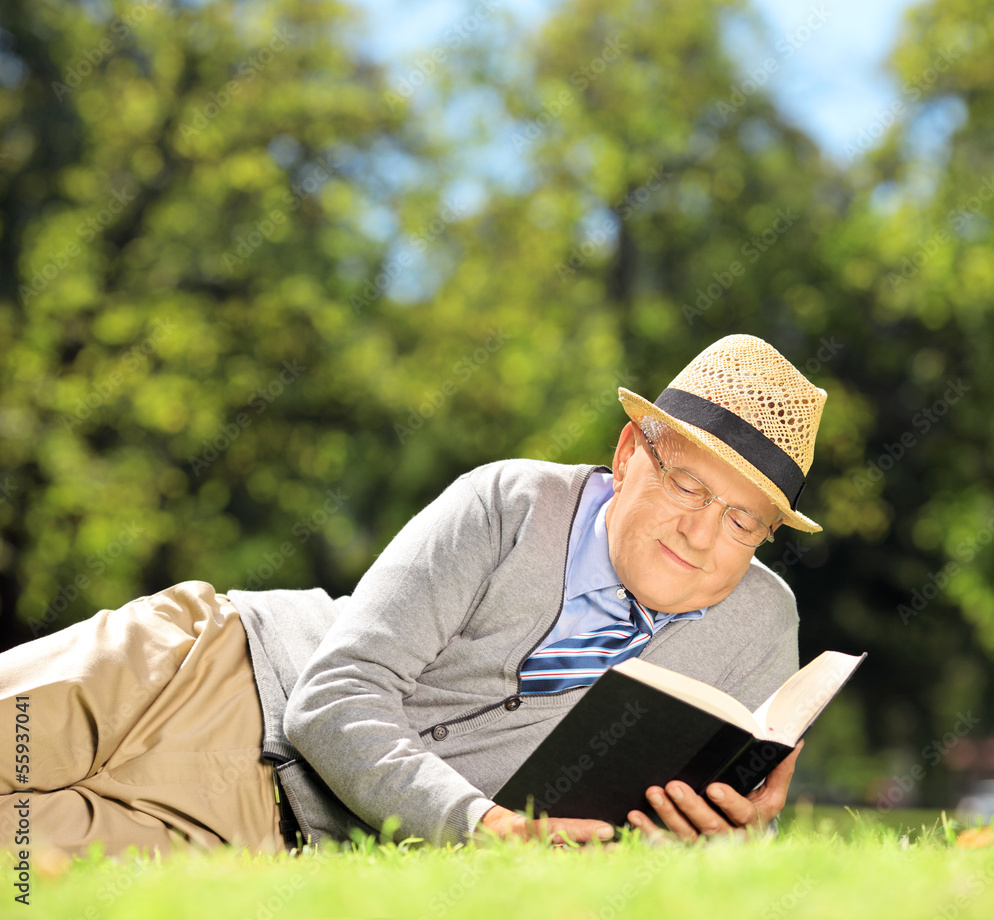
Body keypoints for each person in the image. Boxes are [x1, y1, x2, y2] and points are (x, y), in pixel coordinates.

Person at [0, 333, 827, 856]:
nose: (702, 535)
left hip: (265, 828)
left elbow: (690, 842)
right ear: (627, 454)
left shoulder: (760, 623)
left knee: (21, 867)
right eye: (687, 486)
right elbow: (332, 700)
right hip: (214, 671)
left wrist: (741, 828)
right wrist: (484, 828)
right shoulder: (508, 503)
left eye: (742, 521)